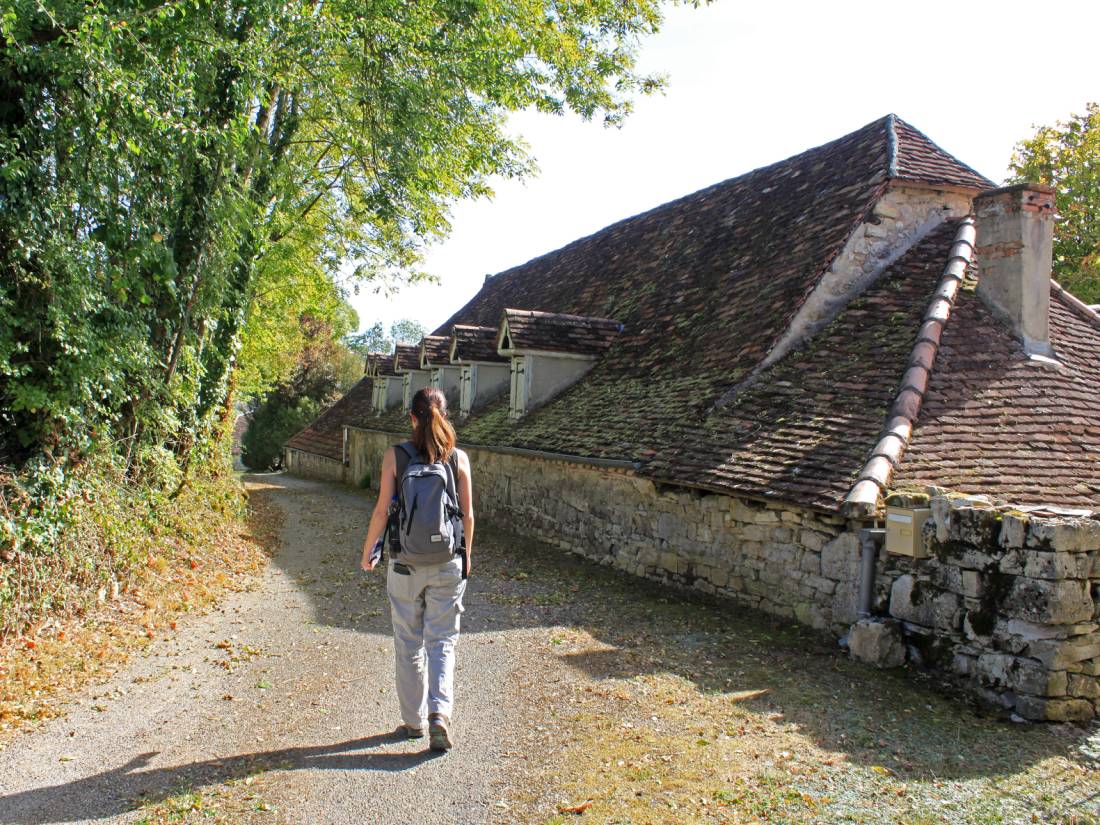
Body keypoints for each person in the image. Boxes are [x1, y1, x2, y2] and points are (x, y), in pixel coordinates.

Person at [360, 386, 474, 752]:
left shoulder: (396, 456)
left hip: (405, 563)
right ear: (445, 416)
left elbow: (382, 511)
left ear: (411, 418)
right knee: (442, 642)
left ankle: (413, 722)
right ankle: (439, 715)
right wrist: (466, 555)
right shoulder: (459, 459)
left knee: (408, 642)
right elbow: (468, 516)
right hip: (447, 562)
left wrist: (368, 552)